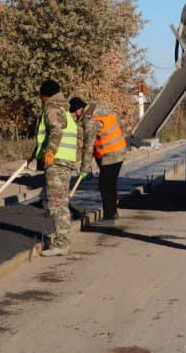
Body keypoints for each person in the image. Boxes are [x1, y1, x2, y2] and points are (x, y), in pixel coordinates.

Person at [34, 79, 78, 256]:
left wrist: (50, 152)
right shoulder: (65, 109)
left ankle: (61, 243)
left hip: (57, 161)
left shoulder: (52, 108)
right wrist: (37, 154)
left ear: (45, 96)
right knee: (61, 202)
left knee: (56, 204)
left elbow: (55, 131)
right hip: (65, 161)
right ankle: (63, 240)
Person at [75, 95, 127, 224]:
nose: (75, 117)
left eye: (74, 114)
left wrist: (84, 168)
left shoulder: (91, 121)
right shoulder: (101, 109)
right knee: (110, 184)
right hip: (118, 150)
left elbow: (88, 146)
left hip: (110, 154)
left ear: (78, 110)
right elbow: (118, 123)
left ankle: (110, 215)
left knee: (105, 185)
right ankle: (112, 211)